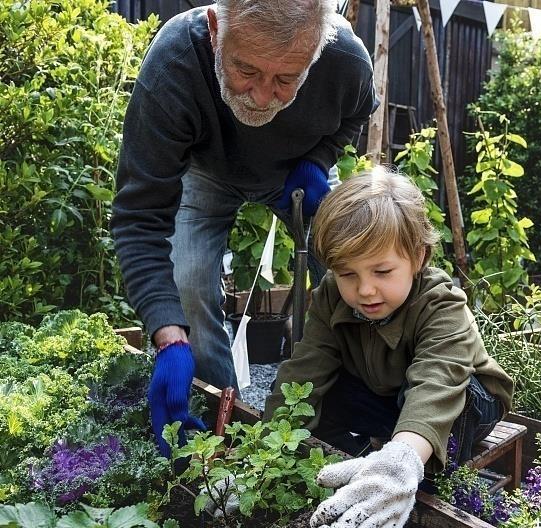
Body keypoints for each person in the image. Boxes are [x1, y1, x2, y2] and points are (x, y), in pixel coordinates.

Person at [110, 0, 378, 455]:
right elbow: (140, 215)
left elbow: (357, 112)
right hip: (206, 171)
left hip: (297, 171)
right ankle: (222, 429)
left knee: (358, 266)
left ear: (316, 50)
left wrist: (318, 161)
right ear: (217, 29)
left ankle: (357, 406)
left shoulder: (344, 58)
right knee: (187, 287)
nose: (261, 96)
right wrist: (167, 333)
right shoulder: (175, 63)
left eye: (286, 79)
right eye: (246, 70)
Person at [263, 169, 514, 528]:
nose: (365, 290)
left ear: (418, 257)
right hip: (388, 396)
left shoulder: (442, 304)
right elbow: (304, 370)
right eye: (348, 274)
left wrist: (404, 458)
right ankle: (359, 472)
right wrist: (263, 454)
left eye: (381, 272)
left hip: (463, 401)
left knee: (455, 400)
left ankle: (417, 482)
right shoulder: (331, 296)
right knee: (320, 394)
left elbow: (437, 382)